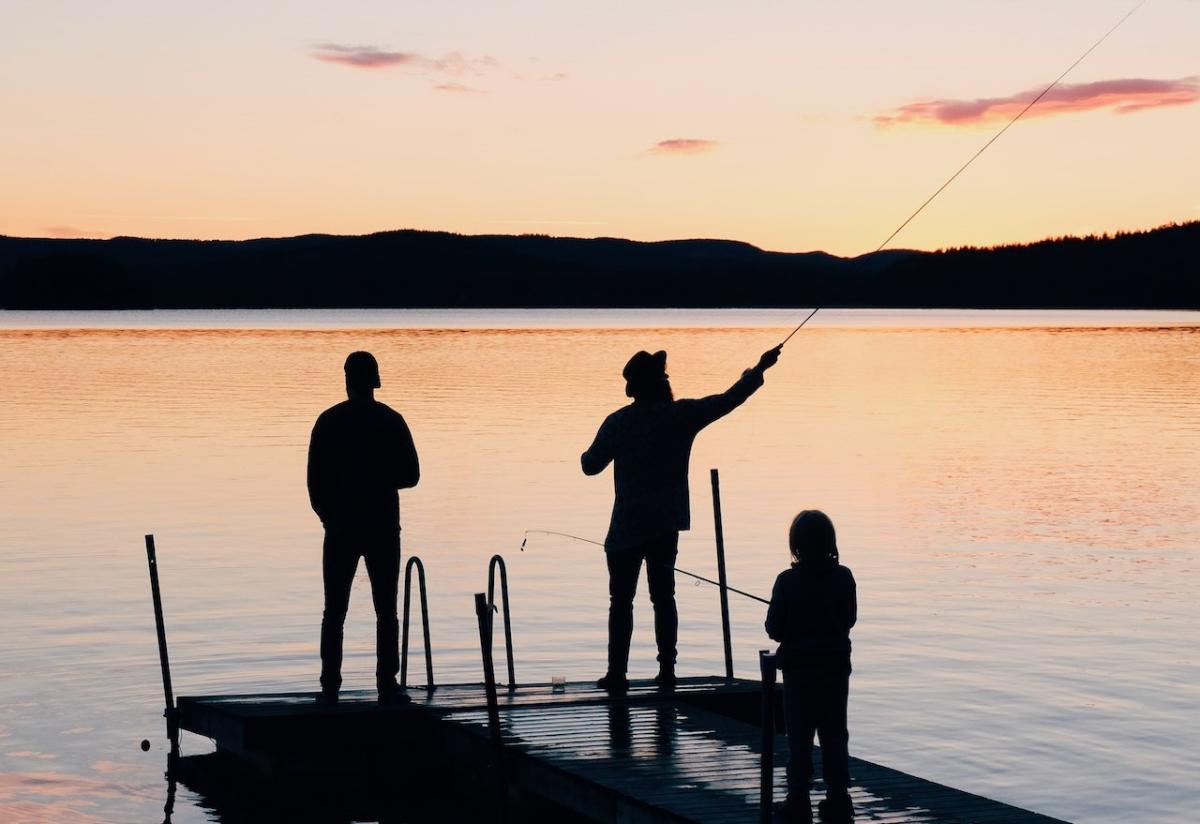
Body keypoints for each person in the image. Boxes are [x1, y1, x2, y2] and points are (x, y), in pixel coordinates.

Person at [581, 344, 782, 691]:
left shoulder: (618, 422)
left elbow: (589, 466)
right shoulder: (680, 417)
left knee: (621, 601)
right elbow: (729, 399)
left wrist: (593, 449)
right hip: (665, 525)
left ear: (634, 388)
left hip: (625, 528)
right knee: (664, 597)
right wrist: (758, 369)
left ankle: (617, 673)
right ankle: (667, 671)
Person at [307, 351, 420, 704]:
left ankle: (330, 685)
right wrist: (381, 480)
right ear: (375, 380)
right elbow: (412, 476)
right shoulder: (392, 420)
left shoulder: (328, 421)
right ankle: (387, 683)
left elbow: (314, 481)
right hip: (383, 526)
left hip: (340, 527)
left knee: (333, 611)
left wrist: (329, 516)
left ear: (346, 380)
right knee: (386, 609)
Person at [765, 510, 857, 823]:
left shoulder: (786, 581)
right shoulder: (844, 577)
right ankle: (838, 798)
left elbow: (774, 628)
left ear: (796, 545)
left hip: (799, 673)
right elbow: (849, 620)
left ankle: (798, 799)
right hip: (834, 671)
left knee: (799, 738)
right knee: (834, 735)